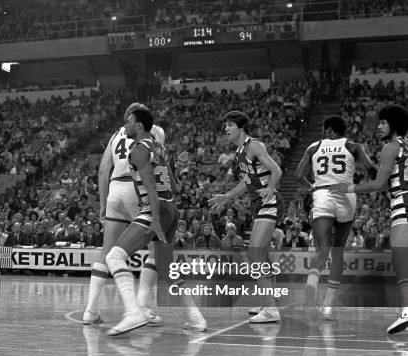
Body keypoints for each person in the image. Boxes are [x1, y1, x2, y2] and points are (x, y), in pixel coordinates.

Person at [105, 108, 205, 335]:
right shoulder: (159, 147)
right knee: (167, 269)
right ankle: (197, 318)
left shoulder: (139, 150)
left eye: (128, 121)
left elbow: (150, 185)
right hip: (170, 207)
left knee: (114, 256)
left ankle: (133, 313)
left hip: (155, 208)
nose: (125, 126)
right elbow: (174, 183)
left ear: (139, 125)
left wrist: (155, 219)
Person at [82, 103, 171, 326]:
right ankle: (143, 308)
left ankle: (90, 311)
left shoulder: (114, 136)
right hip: (136, 187)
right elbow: (157, 164)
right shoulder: (155, 131)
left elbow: (103, 170)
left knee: (106, 252)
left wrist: (103, 203)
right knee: (155, 248)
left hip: (114, 190)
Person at [331, 104, 408, 334]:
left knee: (401, 260)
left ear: (393, 124)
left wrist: (348, 187)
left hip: (402, 205)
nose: (379, 126)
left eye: (383, 122)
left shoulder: (390, 147)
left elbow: (379, 184)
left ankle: (406, 311)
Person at [294, 115, 377, 317]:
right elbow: (372, 171)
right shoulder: (353, 146)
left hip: (322, 194)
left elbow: (297, 176)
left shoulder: (313, 147)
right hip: (346, 195)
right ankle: (329, 306)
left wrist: (311, 186)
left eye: (325, 129)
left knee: (322, 250)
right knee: (337, 252)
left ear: (329, 130)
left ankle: (310, 299)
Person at [210, 110, 283, 323]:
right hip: (258, 203)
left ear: (240, 128)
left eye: (229, 125)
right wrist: (227, 196)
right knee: (263, 256)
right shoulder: (241, 151)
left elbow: (276, 170)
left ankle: (271, 310)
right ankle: (269, 301)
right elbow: (247, 182)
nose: (226, 129)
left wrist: (270, 188)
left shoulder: (254, 145)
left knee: (253, 254)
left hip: (268, 202)